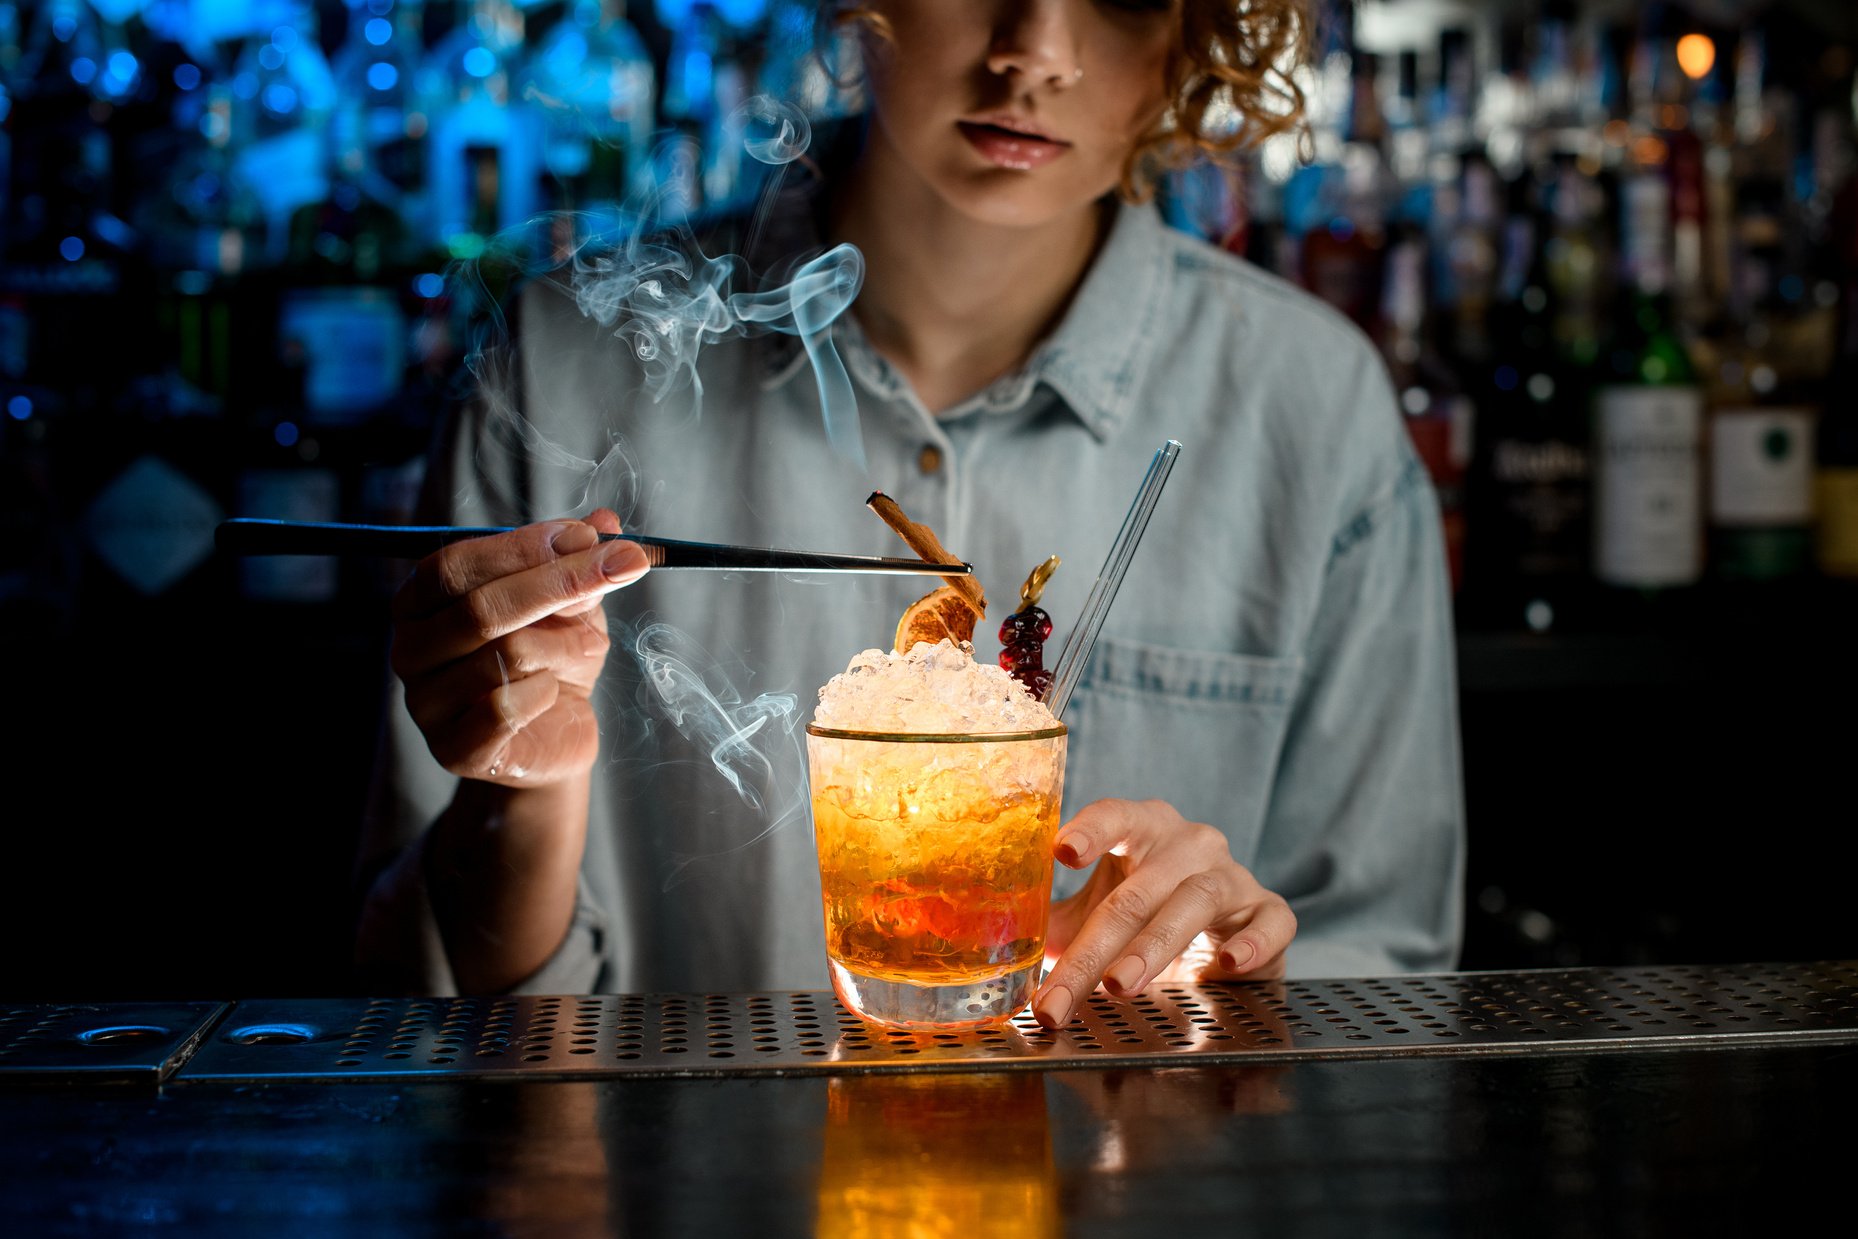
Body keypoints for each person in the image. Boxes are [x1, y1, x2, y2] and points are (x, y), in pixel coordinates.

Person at [356, 0, 1465, 1028]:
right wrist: (523, 801)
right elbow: (437, 1017)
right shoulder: (557, 369)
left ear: (1197, 30)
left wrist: (1225, 972)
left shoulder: (1312, 403)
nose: (1035, 49)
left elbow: (1390, 971)